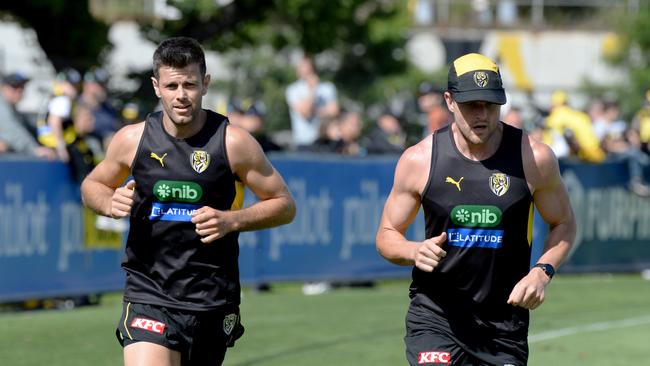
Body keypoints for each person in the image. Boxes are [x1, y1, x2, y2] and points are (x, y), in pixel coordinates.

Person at [80, 37, 296, 366]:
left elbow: (284, 204)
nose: (181, 95)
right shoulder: (132, 139)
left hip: (211, 296)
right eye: (172, 85)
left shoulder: (233, 141)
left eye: (190, 84)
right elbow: (92, 185)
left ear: (205, 84)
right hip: (148, 292)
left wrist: (232, 220)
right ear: (157, 87)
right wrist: (108, 202)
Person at [376, 53, 576, 365]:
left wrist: (542, 271)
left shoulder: (534, 157)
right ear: (449, 101)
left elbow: (563, 223)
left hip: (504, 326)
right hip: (436, 317)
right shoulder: (419, 160)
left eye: (491, 104)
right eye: (471, 104)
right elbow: (387, 236)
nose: (482, 114)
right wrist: (414, 251)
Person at [285, 55, 339, 148]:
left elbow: (334, 111)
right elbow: (305, 112)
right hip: (304, 142)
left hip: (325, 141)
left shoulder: (327, 87)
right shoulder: (293, 90)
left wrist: (314, 111)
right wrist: (312, 91)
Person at [0, 72, 56, 158]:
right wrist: (34, 149)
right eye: (15, 86)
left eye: (22, 87)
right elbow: (12, 131)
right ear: (3, 88)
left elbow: (30, 121)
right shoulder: (2, 106)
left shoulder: (12, 108)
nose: (19, 90)